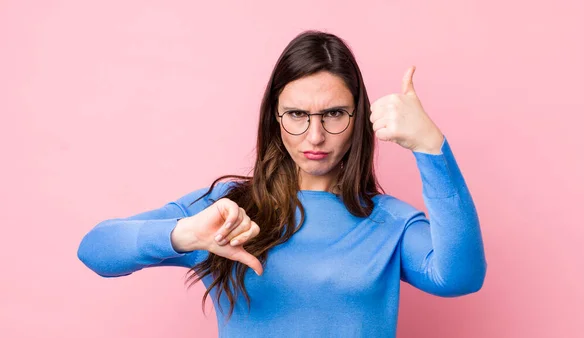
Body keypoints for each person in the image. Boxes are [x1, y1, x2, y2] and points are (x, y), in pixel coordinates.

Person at [77, 30, 487, 337]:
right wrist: (185, 234)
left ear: (359, 118)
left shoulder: (389, 222)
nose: (315, 137)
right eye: (296, 115)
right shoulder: (224, 210)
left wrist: (431, 148)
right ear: (274, 118)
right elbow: (96, 249)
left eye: (334, 114)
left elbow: (460, 277)